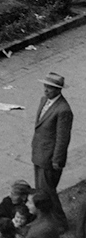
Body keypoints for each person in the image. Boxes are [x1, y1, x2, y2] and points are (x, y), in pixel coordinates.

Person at [33, 71, 72, 201]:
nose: (46, 90)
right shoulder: (44, 100)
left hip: (49, 158)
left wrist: (57, 160)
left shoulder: (63, 110)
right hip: (39, 153)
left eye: (49, 88)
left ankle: (56, 218)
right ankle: (43, 218)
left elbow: (63, 138)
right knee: (39, 190)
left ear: (58, 90)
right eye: (45, 86)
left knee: (47, 193)